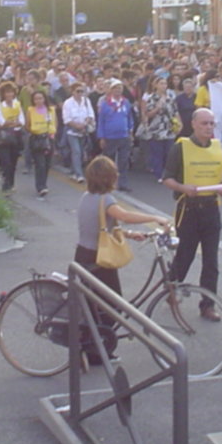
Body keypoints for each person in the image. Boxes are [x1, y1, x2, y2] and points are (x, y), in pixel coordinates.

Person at [74, 155, 171, 364]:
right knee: (113, 305)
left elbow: (102, 227)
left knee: (95, 305)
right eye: (114, 172)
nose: (117, 175)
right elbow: (124, 215)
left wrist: (128, 234)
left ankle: (93, 347)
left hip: (83, 254)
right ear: (108, 177)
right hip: (98, 258)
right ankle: (97, 351)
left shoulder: (86, 197)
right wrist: (155, 218)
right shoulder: (106, 200)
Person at [161, 107, 222, 322]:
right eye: (204, 123)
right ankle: (172, 289)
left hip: (211, 208)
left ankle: (207, 305)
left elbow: (220, 178)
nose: (209, 127)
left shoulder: (217, 148)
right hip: (188, 209)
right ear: (194, 124)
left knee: (211, 261)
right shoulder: (180, 148)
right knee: (185, 256)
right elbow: (167, 179)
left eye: (211, 123)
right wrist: (182, 187)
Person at [97, 79, 135, 192]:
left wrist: (130, 132)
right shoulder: (105, 104)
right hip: (110, 137)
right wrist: (101, 137)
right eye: (116, 88)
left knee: (123, 161)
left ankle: (122, 183)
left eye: (120, 88)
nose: (118, 90)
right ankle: (108, 183)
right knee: (109, 162)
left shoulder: (126, 102)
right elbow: (101, 121)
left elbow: (129, 118)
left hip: (124, 136)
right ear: (111, 90)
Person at [139, 76, 178, 182]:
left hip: (169, 129)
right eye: (161, 83)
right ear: (156, 85)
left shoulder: (170, 97)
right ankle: (159, 174)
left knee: (169, 153)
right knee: (157, 153)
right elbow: (148, 114)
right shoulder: (151, 98)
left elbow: (175, 112)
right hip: (156, 130)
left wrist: (179, 123)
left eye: (165, 83)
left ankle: (169, 174)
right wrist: (158, 107)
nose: (163, 86)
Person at [0, 81, 25, 193]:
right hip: (4, 136)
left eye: (11, 92)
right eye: (7, 92)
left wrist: (14, 123)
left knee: (13, 161)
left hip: (16, 136)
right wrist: (13, 123)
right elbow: (1, 122)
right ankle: (5, 183)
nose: (9, 95)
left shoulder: (17, 104)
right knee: (6, 161)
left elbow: (22, 120)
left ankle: (11, 182)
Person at [61, 82, 95, 183]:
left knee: (80, 152)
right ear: (73, 92)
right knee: (76, 151)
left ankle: (73, 171)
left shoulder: (86, 101)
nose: (80, 93)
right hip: (72, 131)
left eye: (82, 91)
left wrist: (85, 124)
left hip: (84, 131)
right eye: (78, 91)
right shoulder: (68, 103)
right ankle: (79, 174)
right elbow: (66, 119)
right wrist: (76, 126)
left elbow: (91, 114)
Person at [26, 89, 56, 198]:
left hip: (49, 139)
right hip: (37, 139)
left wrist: (51, 135)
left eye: (40, 98)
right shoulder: (30, 110)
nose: (38, 101)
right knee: (40, 163)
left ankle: (44, 183)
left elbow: (54, 124)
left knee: (47, 163)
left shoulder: (51, 110)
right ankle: (40, 186)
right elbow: (28, 125)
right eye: (36, 99)